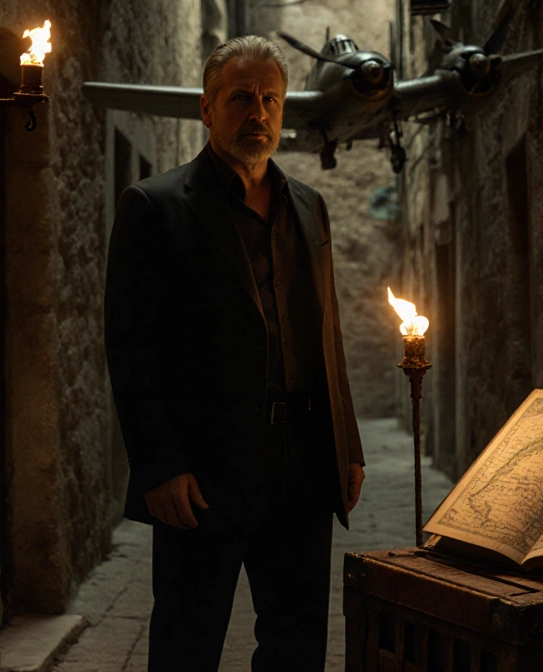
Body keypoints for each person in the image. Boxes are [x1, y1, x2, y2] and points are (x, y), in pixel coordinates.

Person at [103, 35, 366, 672]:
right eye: (241, 98)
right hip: (204, 473)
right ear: (207, 108)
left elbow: (325, 336)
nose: (258, 113)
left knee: (297, 646)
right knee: (187, 647)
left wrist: (346, 447)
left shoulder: (310, 206)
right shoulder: (155, 207)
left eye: (270, 99)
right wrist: (160, 464)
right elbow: (132, 346)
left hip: (302, 466)